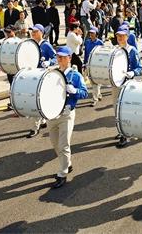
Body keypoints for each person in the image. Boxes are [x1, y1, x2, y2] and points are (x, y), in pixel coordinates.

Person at [48, 46, 88, 188]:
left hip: (66, 113)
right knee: (55, 144)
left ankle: (62, 173)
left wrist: (75, 90)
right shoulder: (53, 73)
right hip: (52, 114)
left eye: (63, 57)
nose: (60, 59)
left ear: (70, 58)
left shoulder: (76, 76)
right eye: (59, 57)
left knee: (64, 144)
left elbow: (84, 93)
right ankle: (67, 163)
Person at [26, 24, 57, 138]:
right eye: (32, 32)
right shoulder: (31, 44)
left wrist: (49, 62)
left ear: (41, 32)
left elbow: (55, 57)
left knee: (35, 100)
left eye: (35, 31)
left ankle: (35, 127)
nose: (33, 33)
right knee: (37, 99)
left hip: (41, 76)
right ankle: (42, 121)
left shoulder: (46, 45)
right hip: (32, 75)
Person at [114, 25, 142, 148]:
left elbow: (139, 68)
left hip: (127, 84)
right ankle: (121, 130)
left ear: (127, 36)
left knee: (124, 111)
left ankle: (124, 135)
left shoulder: (132, 50)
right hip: (116, 84)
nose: (120, 38)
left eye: (122, 35)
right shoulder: (114, 50)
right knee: (116, 109)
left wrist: (133, 73)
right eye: (118, 35)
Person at [83, 27, 104, 106]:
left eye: (93, 33)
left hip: (97, 65)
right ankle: (98, 95)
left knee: (96, 81)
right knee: (93, 81)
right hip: (89, 64)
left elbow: (103, 54)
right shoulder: (87, 42)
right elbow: (86, 54)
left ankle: (94, 98)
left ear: (96, 34)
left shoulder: (100, 43)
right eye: (90, 33)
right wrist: (84, 63)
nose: (91, 34)